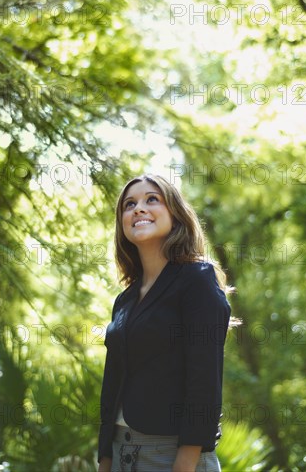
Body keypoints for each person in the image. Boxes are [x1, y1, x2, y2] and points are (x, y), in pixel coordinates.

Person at [97, 173, 236, 472]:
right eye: (129, 204)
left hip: (172, 455)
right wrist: (105, 457)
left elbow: (205, 380)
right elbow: (112, 385)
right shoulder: (124, 300)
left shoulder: (196, 281)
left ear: (175, 214)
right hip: (121, 452)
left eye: (152, 200)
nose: (138, 209)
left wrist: (185, 462)